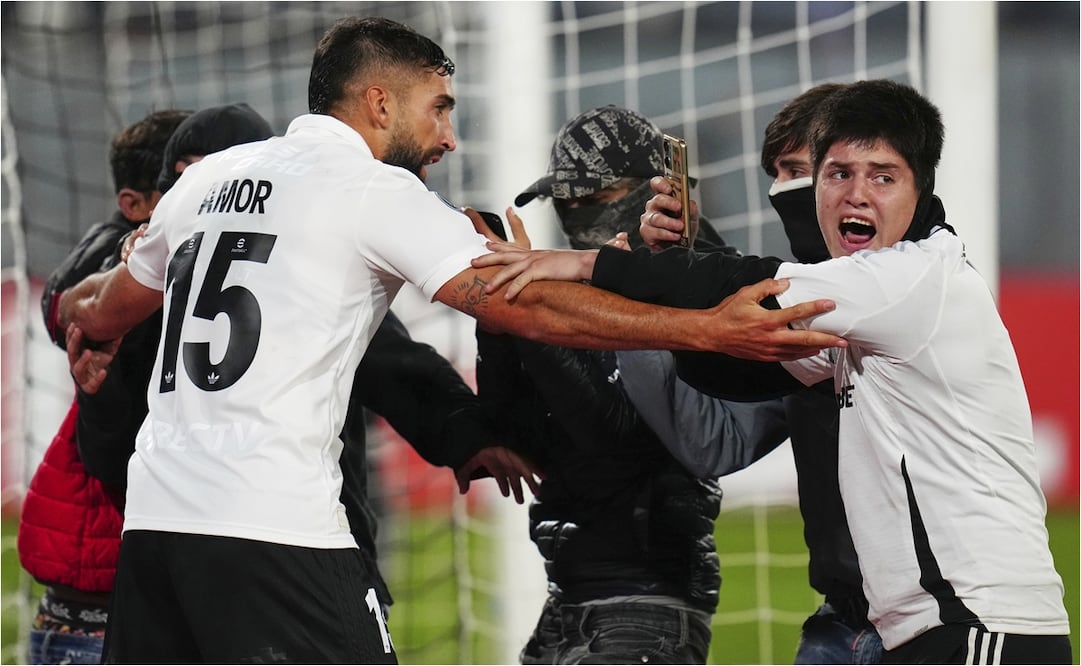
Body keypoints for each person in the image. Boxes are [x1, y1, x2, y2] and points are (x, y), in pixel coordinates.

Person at [56, 17, 842, 664]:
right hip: (276, 531)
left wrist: (78, 325)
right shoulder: (372, 189)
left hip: (158, 534)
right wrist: (702, 326)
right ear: (378, 103)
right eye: (439, 107)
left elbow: (109, 305)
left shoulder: (208, 180)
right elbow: (529, 307)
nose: (450, 137)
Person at [475, 78, 1073, 663]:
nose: (856, 195)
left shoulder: (906, 278)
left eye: (883, 177)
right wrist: (681, 320)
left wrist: (583, 267)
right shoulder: (854, 314)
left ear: (922, 188)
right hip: (918, 628)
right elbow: (735, 369)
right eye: (837, 175)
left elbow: (743, 289)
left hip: (976, 624)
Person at [481, 105, 790, 664]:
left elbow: (624, 439)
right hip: (570, 595)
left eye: (593, 198)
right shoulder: (581, 279)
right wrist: (498, 314)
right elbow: (515, 434)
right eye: (565, 204)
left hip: (646, 603)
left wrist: (533, 316)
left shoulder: (708, 283)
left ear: (657, 187)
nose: (577, 217)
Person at [637, 82, 884, 664]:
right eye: (780, 172)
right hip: (841, 619)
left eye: (804, 169)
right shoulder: (800, 302)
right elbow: (716, 432)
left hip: (928, 621)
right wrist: (674, 264)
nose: (786, 190)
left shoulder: (901, 289)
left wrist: (649, 283)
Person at [17, 108, 191, 666]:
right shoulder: (120, 256)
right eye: (185, 186)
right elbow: (66, 303)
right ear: (134, 207)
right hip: (98, 607)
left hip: (104, 601)